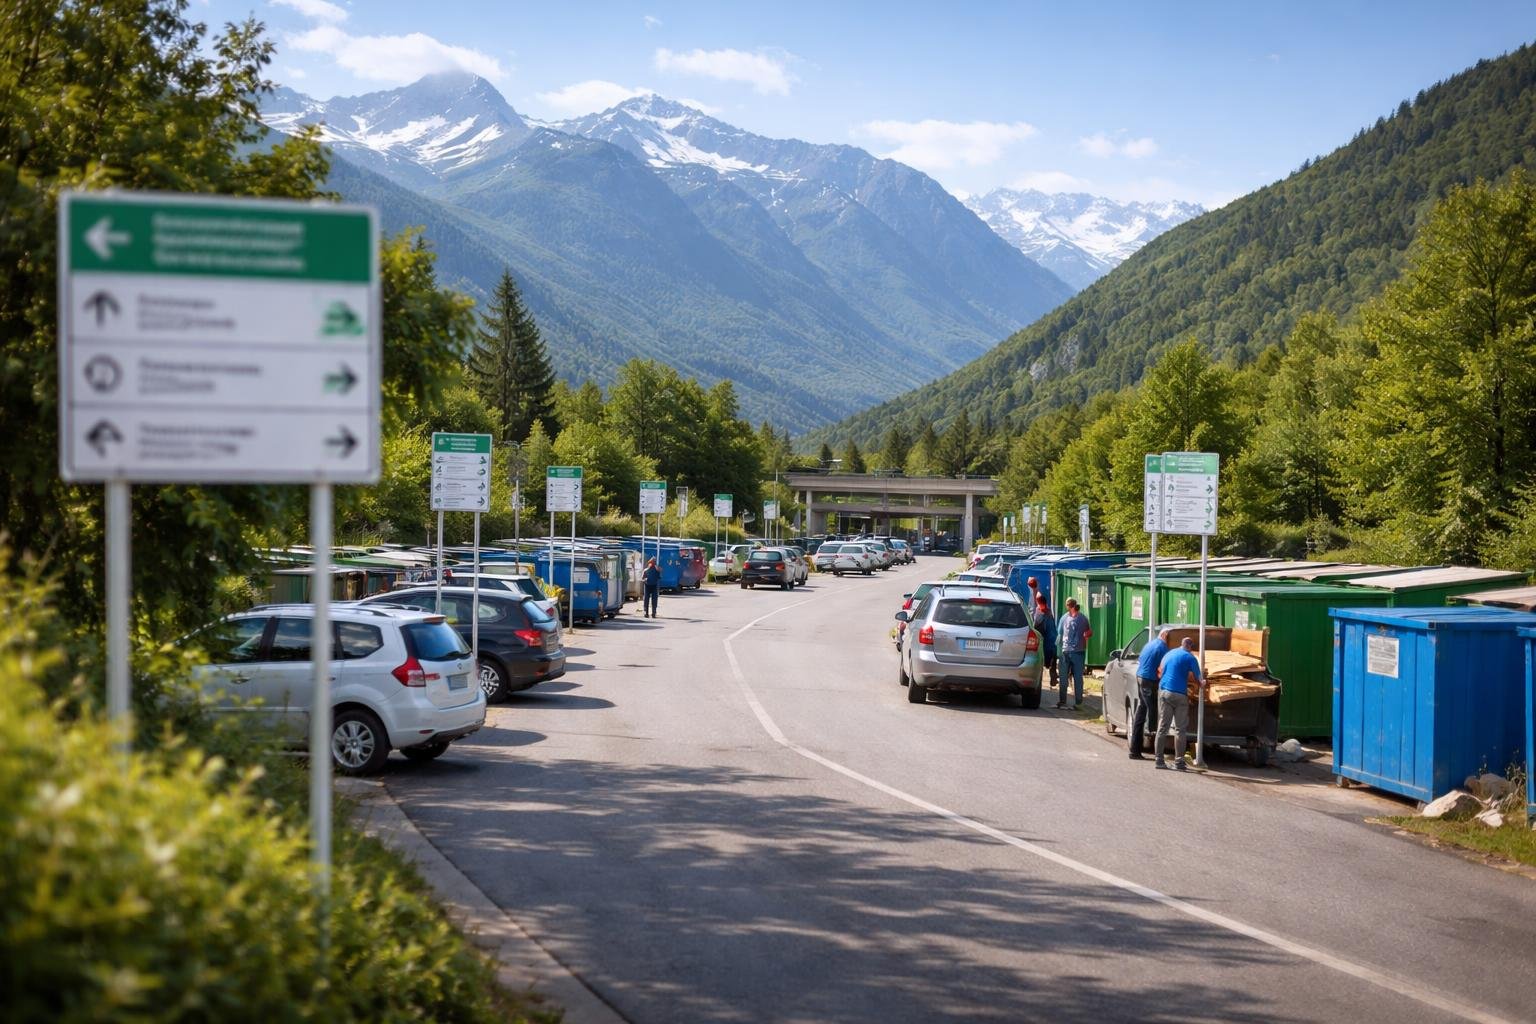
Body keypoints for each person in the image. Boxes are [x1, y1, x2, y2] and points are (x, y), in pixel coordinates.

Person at [1154, 636, 1204, 771]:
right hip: (1180, 695)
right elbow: (1199, 681)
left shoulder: (1169, 653)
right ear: (1190, 647)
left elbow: (1159, 672)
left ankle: (1159, 760)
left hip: (1164, 692)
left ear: (1181, 644)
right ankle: (1179, 762)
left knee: (1162, 727)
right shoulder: (1191, 658)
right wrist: (1203, 683)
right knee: (1180, 729)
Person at [1129, 628, 1171, 760]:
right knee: (1153, 710)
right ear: (1164, 636)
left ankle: (1135, 750)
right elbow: (1164, 667)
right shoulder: (1162, 648)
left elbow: (1142, 659)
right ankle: (1153, 741)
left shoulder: (1150, 644)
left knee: (1141, 711)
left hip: (1140, 677)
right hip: (1149, 680)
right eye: (1169, 637)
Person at [1056, 597, 1092, 710]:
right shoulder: (1083, 619)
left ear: (1068, 606)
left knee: (1063, 677)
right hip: (1079, 652)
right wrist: (1086, 635)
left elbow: (1059, 635)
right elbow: (1089, 632)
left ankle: (1063, 701)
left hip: (1066, 652)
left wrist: (1056, 652)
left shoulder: (1063, 618)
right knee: (1078, 678)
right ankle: (1078, 702)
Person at [1033, 595, 1058, 697]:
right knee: (1049, 662)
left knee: (1048, 662)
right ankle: (1051, 678)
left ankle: (1051, 678)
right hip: (1046, 642)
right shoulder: (1044, 612)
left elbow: (1041, 630)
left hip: (1046, 643)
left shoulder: (1044, 614)